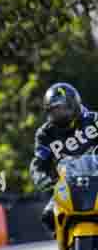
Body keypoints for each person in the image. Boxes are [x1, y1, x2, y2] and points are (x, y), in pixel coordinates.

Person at [30, 82, 98, 234]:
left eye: (63, 108)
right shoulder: (45, 134)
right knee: (48, 216)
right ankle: (67, 247)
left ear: (74, 104)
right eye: (54, 110)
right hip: (67, 185)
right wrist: (41, 177)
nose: (60, 114)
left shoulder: (94, 120)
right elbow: (39, 162)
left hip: (97, 179)